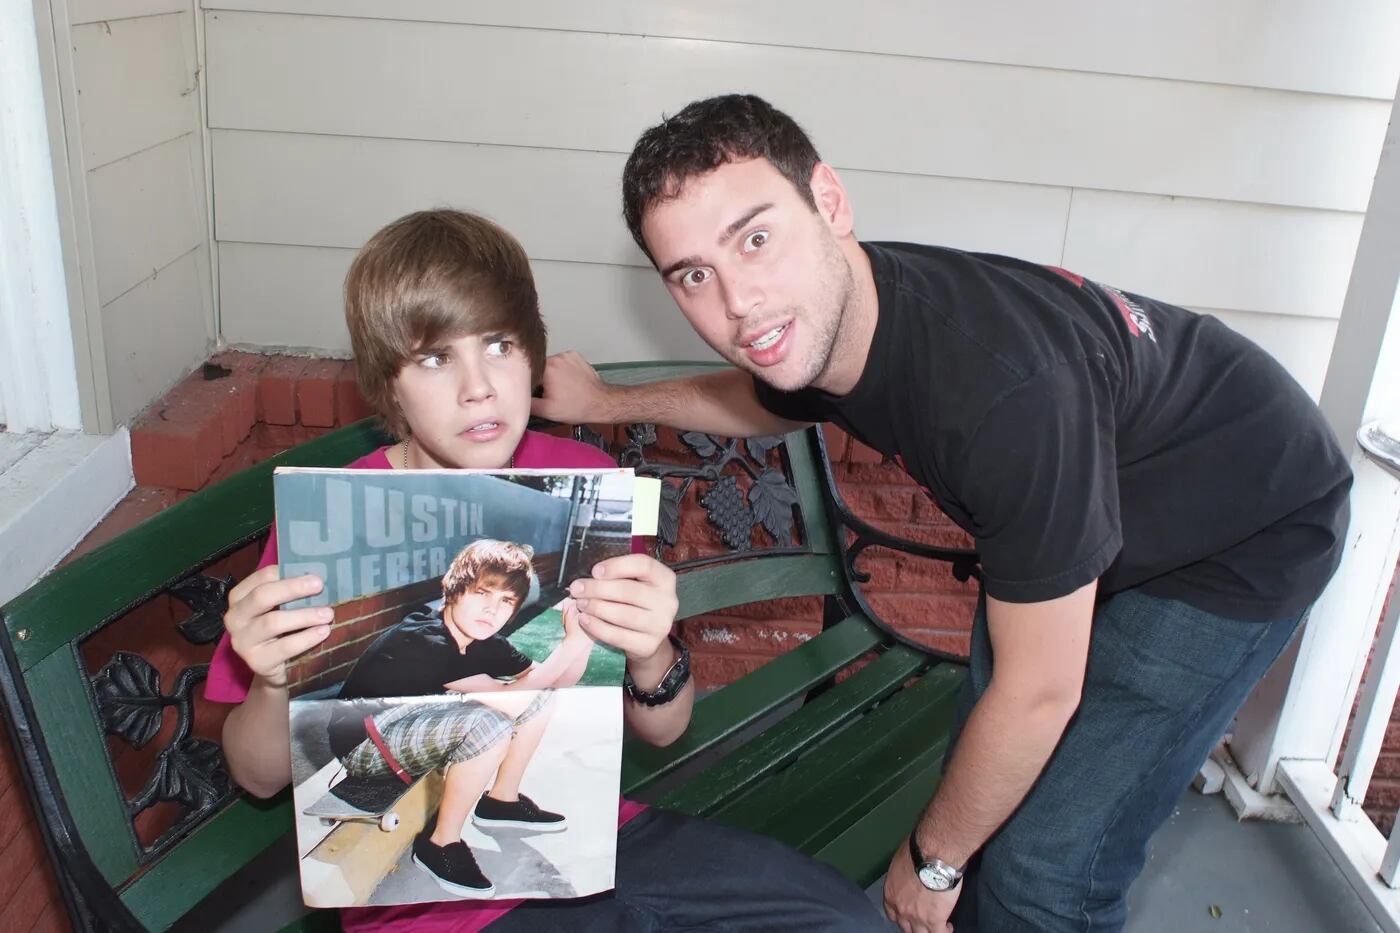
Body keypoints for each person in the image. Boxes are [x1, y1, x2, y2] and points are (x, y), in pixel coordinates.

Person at [531, 94, 1353, 933]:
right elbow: (764, 403)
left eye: (755, 236)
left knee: (1044, 873)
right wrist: (606, 399)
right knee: (993, 787)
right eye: (694, 276)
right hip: (1102, 502)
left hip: (1244, 526)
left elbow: (1038, 693)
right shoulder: (833, 310)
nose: (738, 301)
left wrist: (931, 861)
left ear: (831, 202)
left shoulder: (1004, 397)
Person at [205, 208, 888, 931]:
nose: (479, 387)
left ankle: (499, 797)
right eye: (436, 358)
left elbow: (663, 731)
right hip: (427, 909)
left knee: (842, 920)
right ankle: (454, 835)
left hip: (603, 845)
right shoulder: (331, 517)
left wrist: (652, 651)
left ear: (531, 353)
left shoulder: (582, 482)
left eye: (498, 345)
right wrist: (277, 679)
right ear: (389, 384)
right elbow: (256, 774)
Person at [325, 538, 591, 898]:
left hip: (411, 721)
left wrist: (585, 636)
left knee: (538, 702)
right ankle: (439, 846)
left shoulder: (483, 637)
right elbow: (510, 704)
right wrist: (568, 647)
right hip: (363, 744)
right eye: (483, 593)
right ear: (455, 590)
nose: (492, 610)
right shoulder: (424, 638)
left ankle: (502, 801)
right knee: (489, 723)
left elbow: (553, 683)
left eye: (505, 601)